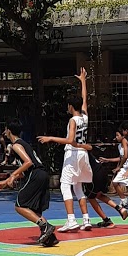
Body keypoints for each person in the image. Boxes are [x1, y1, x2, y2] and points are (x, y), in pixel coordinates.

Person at [38, 67, 91, 233]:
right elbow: (84, 99)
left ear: (70, 106)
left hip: (73, 153)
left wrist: (50, 138)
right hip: (83, 154)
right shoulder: (85, 117)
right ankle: (86, 219)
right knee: (78, 187)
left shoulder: (73, 120)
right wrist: (83, 81)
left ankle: (71, 219)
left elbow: (70, 140)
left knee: (64, 185)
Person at [0, 124, 58, 247]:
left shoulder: (16, 145)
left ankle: (45, 226)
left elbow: (28, 163)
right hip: (42, 174)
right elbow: (25, 171)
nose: (4, 132)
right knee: (34, 211)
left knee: (20, 205)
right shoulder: (25, 144)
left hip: (36, 174)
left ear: (9, 131)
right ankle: (50, 237)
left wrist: (13, 175)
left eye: (5, 130)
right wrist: (7, 180)